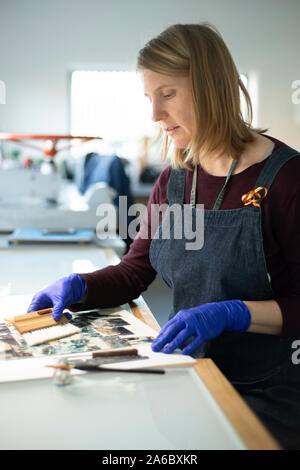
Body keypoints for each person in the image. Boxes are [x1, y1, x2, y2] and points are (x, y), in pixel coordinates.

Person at [27, 23, 300, 449]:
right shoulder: (175, 180)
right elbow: (135, 271)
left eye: (167, 94)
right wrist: (80, 287)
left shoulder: (286, 179)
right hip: (189, 376)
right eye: (149, 98)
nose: (154, 114)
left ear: (211, 87)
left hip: (268, 394)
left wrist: (235, 313)